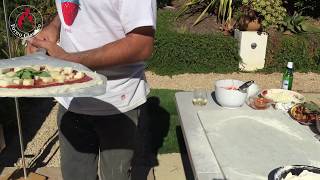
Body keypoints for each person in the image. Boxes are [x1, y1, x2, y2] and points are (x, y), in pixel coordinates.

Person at [27, 0, 157, 180]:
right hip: (71, 98)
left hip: (116, 102)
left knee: (115, 176)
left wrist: (72, 60)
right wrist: (55, 26)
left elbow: (141, 44)